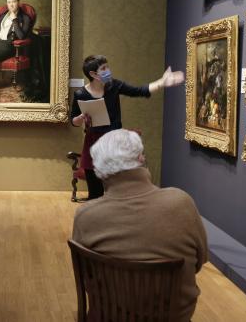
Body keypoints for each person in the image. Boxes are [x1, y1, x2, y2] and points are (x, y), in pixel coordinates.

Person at [72, 129, 208, 322]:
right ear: (141, 158)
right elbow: (199, 262)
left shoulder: (87, 216)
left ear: (98, 169)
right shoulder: (182, 203)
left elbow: (88, 278)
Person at [70, 55, 184, 199]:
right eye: (103, 68)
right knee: (95, 194)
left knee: (120, 191)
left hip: (115, 142)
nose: (108, 71)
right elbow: (73, 121)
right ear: (93, 74)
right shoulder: (81, 94)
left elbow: (139, 91)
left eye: (107, 66)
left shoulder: (114, 85)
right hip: (93, 144)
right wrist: (80, 118)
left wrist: (162, 82)